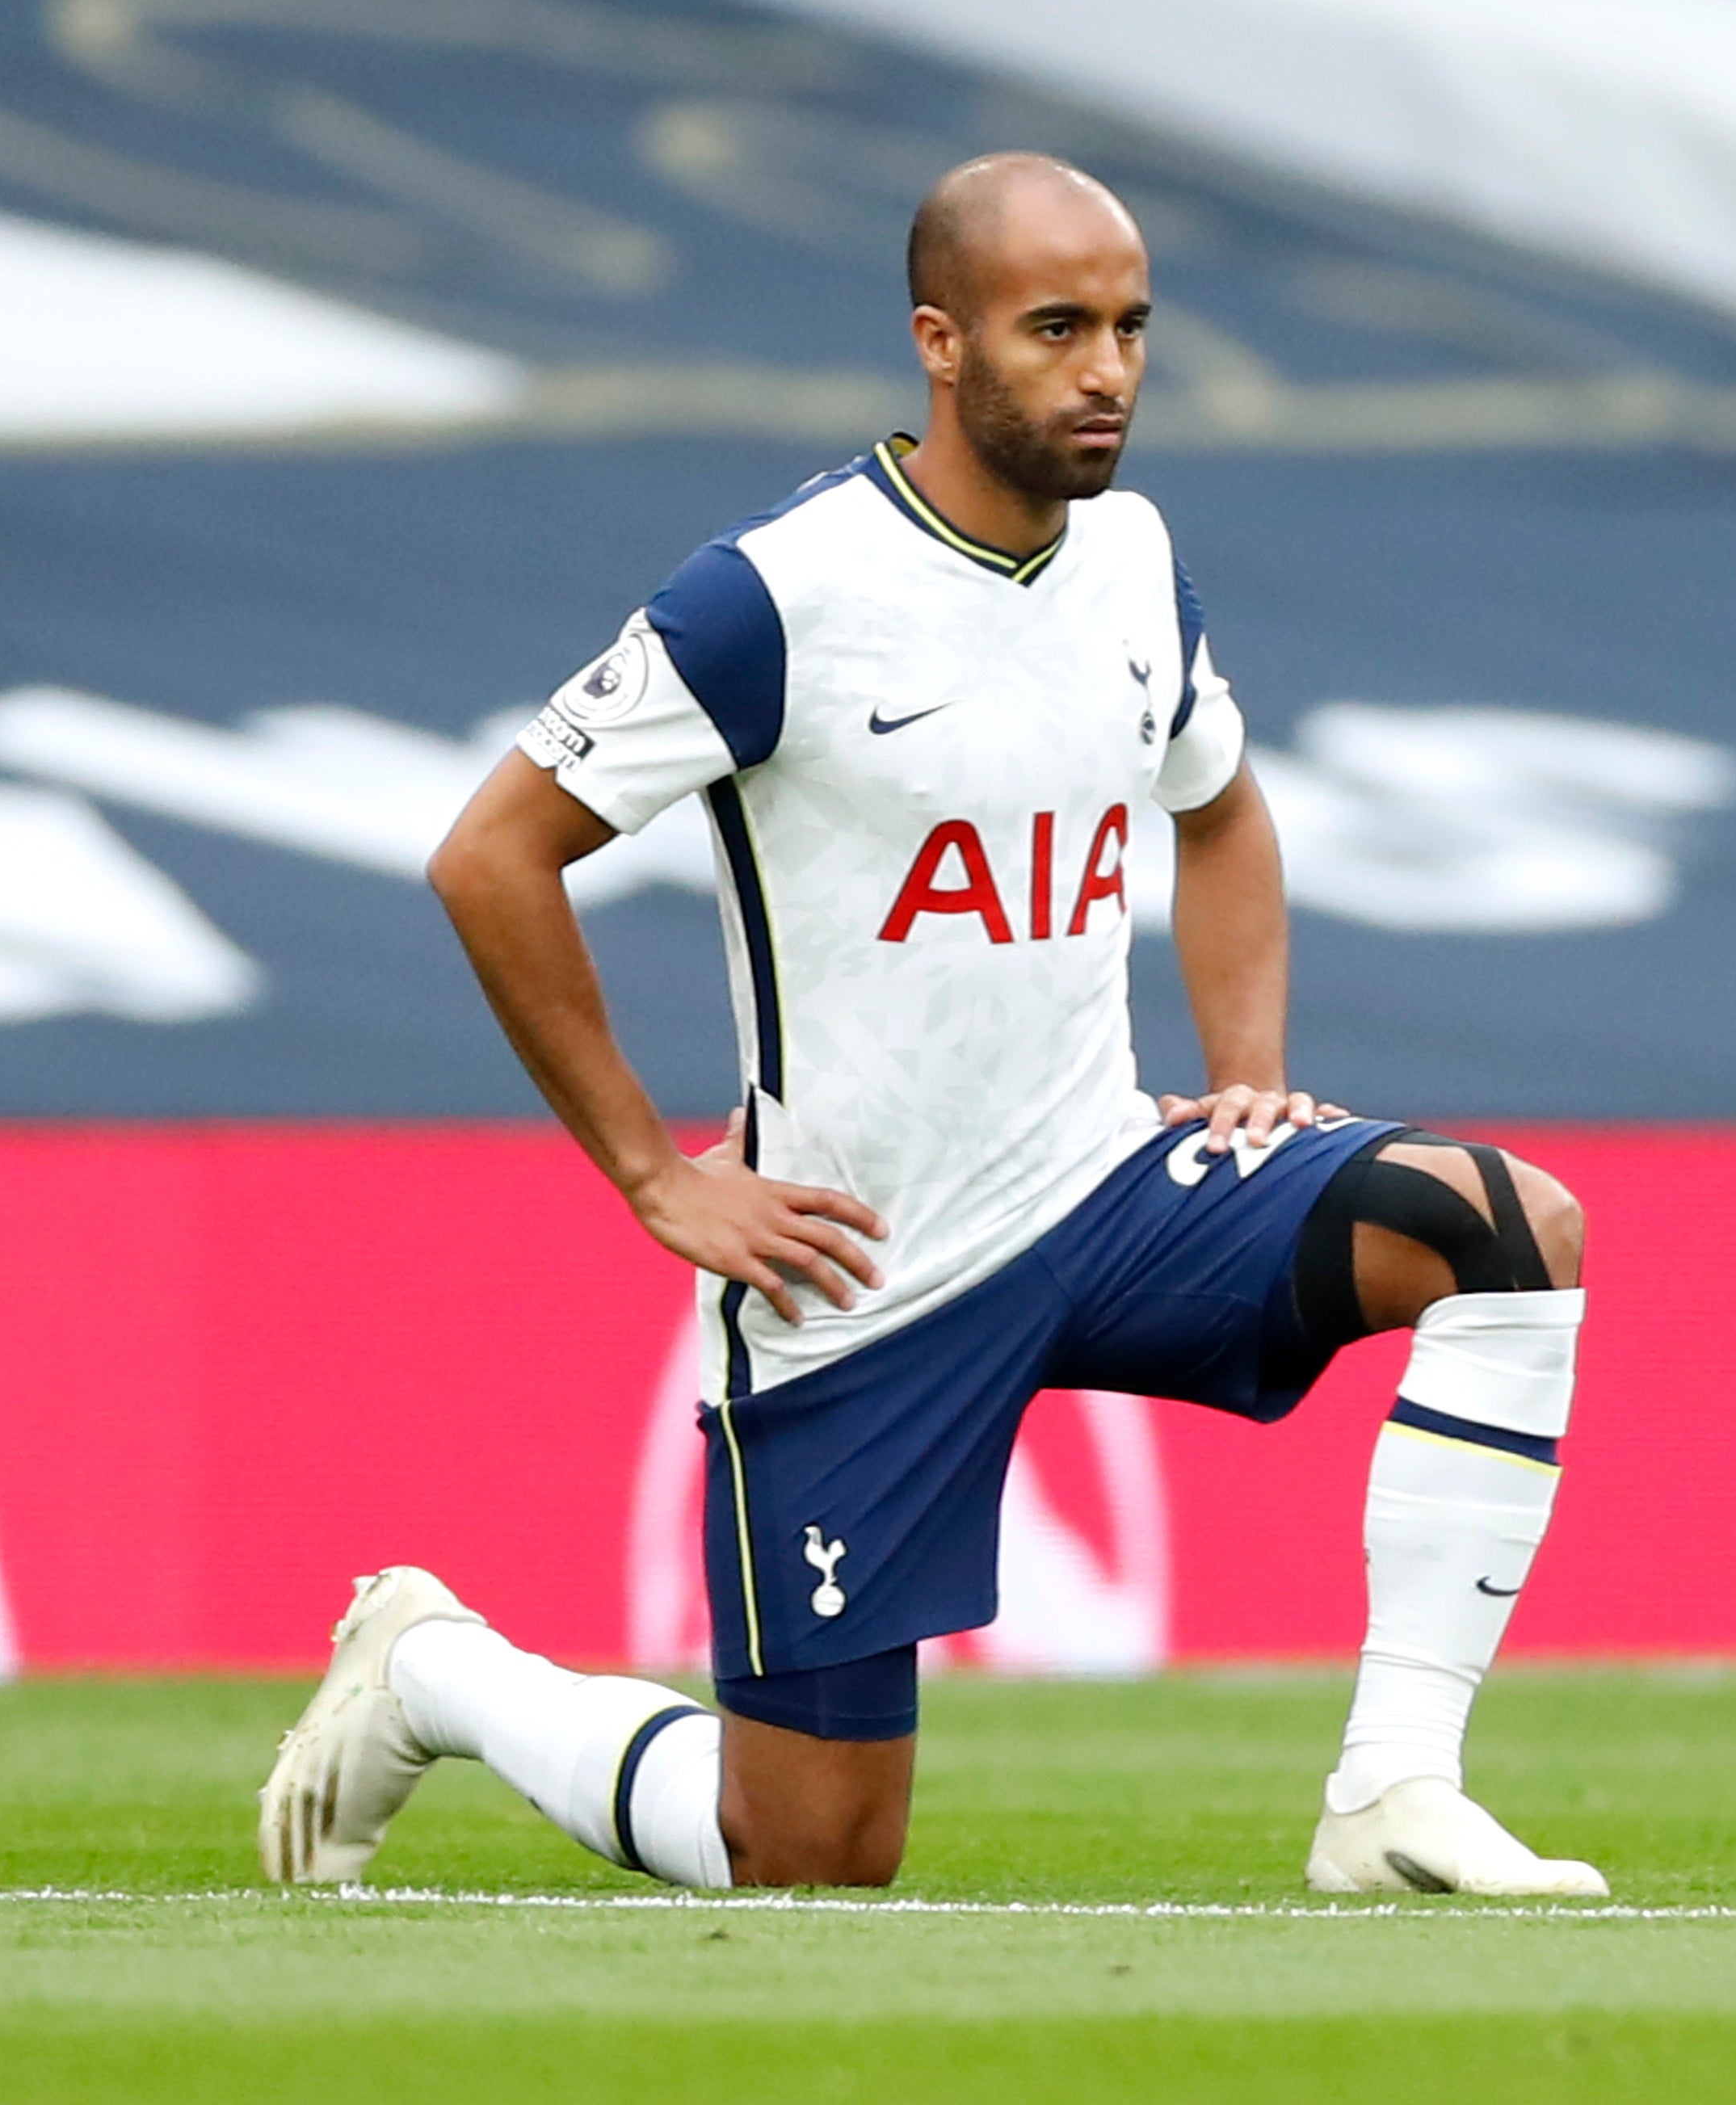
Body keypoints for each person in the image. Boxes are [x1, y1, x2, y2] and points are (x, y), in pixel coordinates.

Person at [257, 153, 1600, 1901]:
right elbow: (492, 856)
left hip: (1109, 1191)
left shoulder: (1132, 561)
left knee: (1508, 1230)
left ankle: (1394, 1792)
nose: (1106, 370)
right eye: (1057, 329)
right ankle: (432, 1671)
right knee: (809, 1855)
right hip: (861, 1273)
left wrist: (1252, 1075)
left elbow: (1222, 807)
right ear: (940, 344)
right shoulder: (773, 600)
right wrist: (656, 1180)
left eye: (1130, 328)